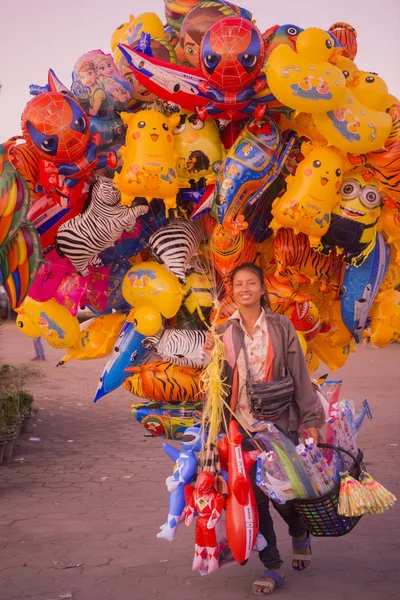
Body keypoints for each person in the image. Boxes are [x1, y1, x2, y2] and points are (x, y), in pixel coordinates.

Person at [203, 262, 322, 596]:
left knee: (284, 494)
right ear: (232, 291)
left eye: (251, 283)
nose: (245, 288)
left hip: (280, 424)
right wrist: (209, 357)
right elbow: (215, 386)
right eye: (239, 283)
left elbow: (300, 377)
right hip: (240, 428)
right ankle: (272, 565)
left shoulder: (282, 327)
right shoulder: (224, 330)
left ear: (261, 288)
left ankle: (299, 531)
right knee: (255, 498)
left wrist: (311, 422)